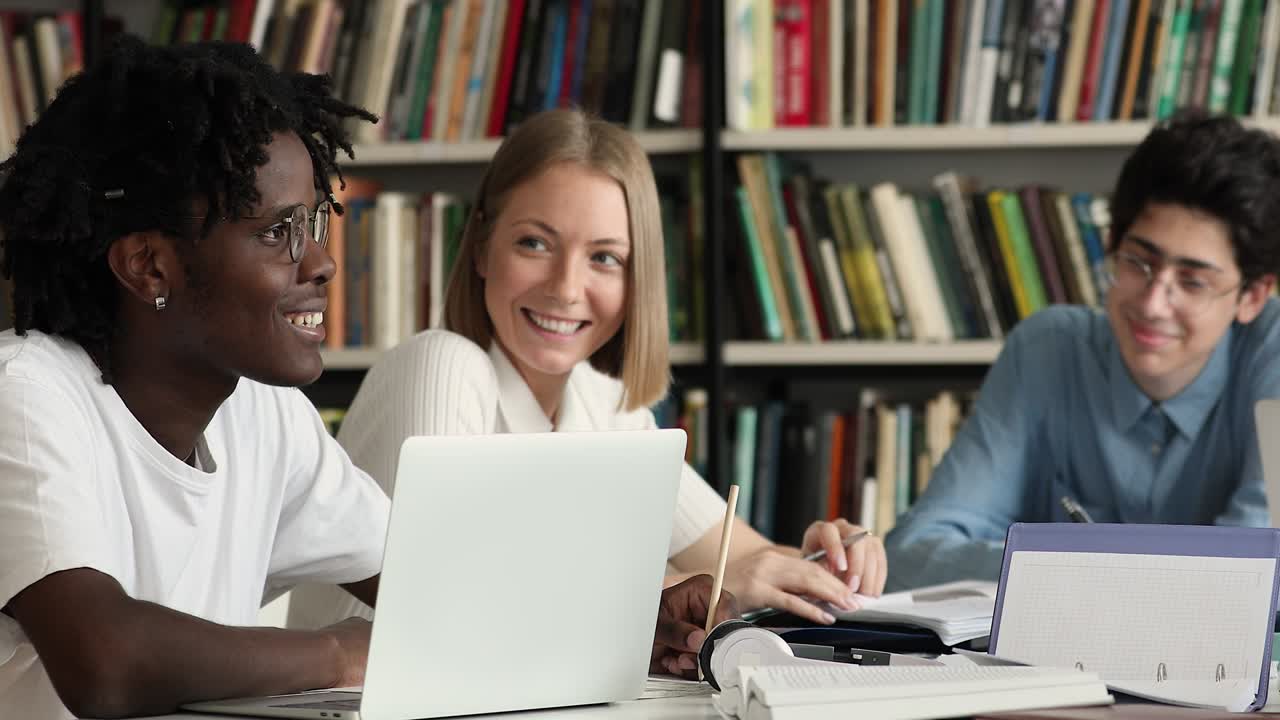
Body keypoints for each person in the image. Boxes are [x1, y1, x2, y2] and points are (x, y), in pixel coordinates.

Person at [0, 38, 730, 720]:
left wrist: (635, 615)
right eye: (277, 232)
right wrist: (342, 653)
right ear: (149, 265)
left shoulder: (264, 414)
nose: (320, 262)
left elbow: (442, 580)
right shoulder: (27, 395)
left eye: (315, 221)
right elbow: (104, 659)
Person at [287, 109, 888, 633]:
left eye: (604, 258)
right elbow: (468, 588)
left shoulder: (606, 404)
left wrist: (832, 557)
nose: (566, 288)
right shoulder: (441, 363)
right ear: (480, 248)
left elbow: (748, 560)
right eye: (535, 244)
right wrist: (704, 579)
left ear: (636, 282)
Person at [885, 113, 1280, 590]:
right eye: (1138, 262)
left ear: (1252, 296)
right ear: (1111, 244)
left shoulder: (1271, 354)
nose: (1154, 304)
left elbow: (1258, 573)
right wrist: (1112, 573)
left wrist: (1062, 568)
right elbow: (910, 555)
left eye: (1193, 281)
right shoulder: (1046, 351)